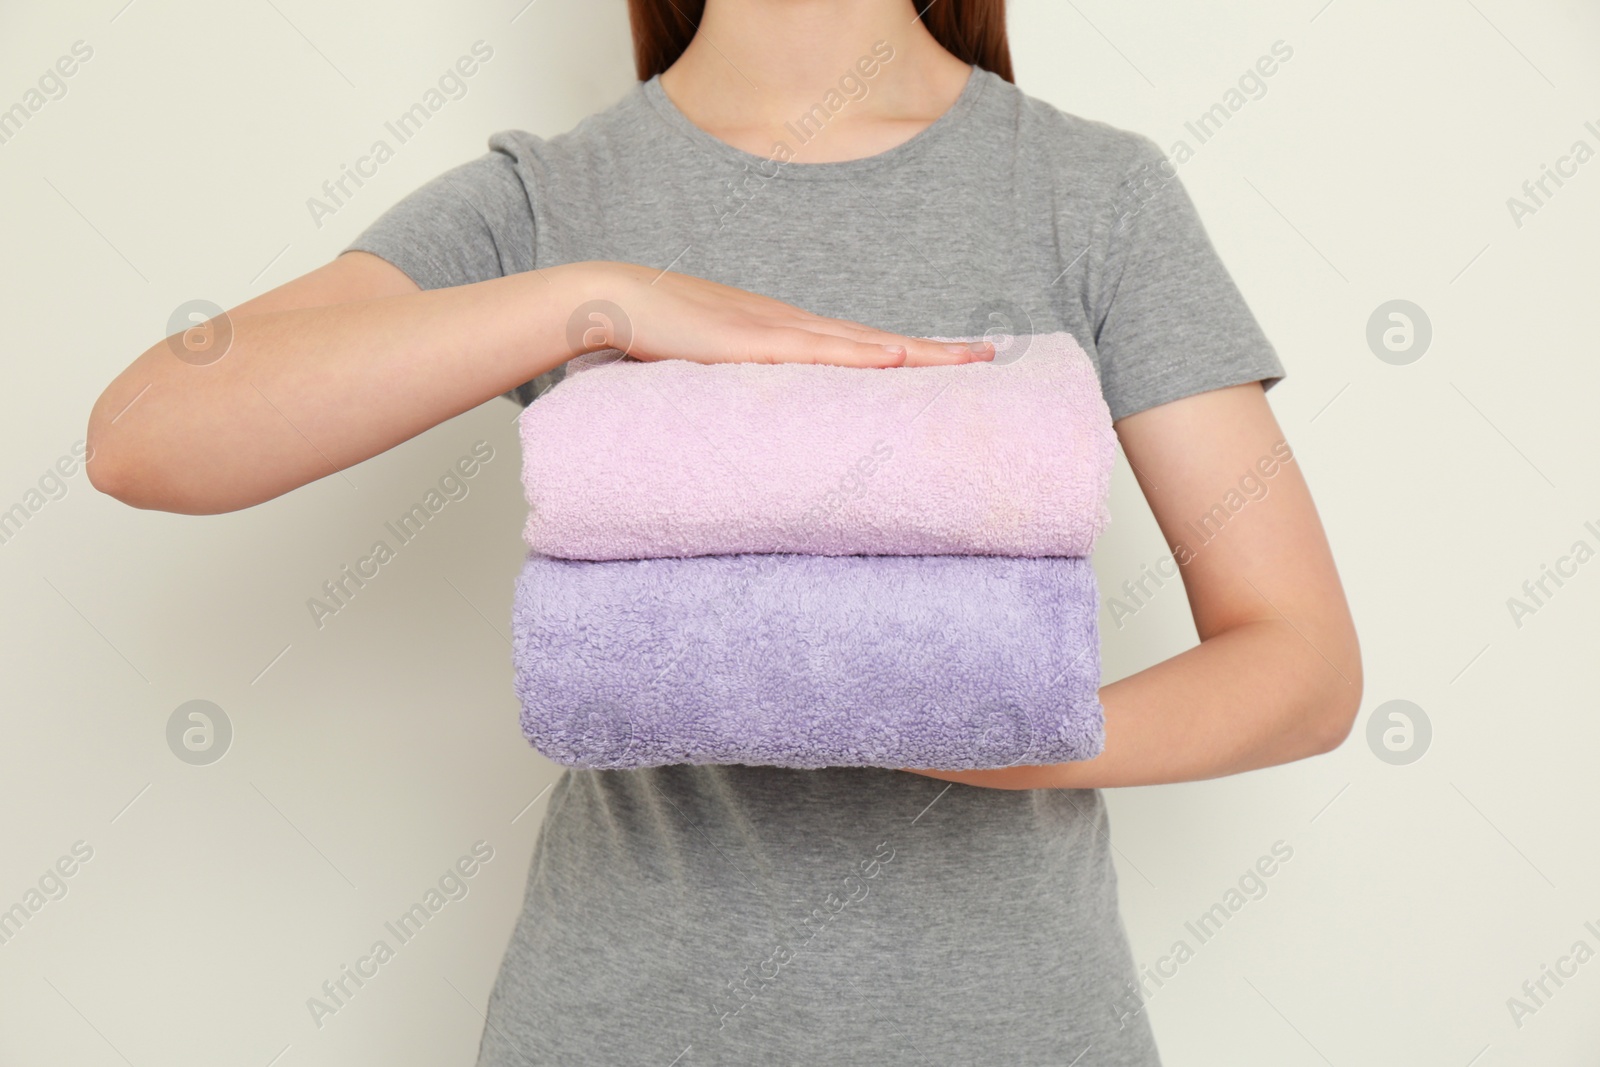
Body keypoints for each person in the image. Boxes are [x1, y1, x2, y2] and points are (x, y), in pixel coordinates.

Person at [86, 1, 1363, 1062]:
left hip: (1012, 1028)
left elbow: (1298, 663)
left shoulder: (1088, 193)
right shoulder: (549, 202)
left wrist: (988, 730)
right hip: (621, 1023)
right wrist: (601, 303)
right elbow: (146, 431)